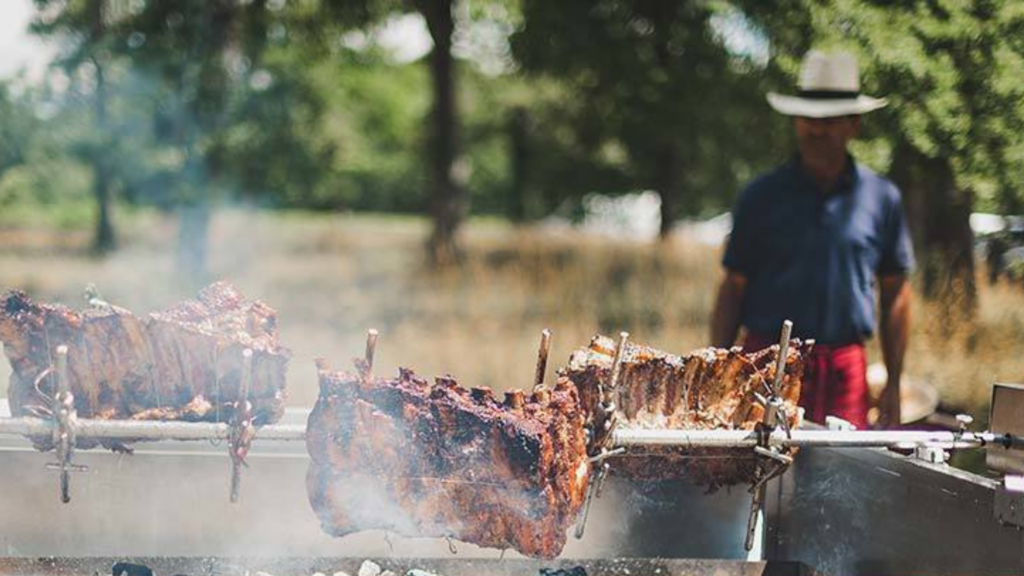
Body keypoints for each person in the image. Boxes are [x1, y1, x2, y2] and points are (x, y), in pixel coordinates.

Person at [710, 50, 914, 429]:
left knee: (842, 484)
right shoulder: (761, 196)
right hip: (765, 364)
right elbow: (733, 287)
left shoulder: (881, 198)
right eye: (807, 119)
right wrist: (717, 372)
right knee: (754, 480)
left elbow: (896, 293)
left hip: (843, 369)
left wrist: (894, 383)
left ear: (854, 123)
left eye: (829, 120)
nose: (816, 129)